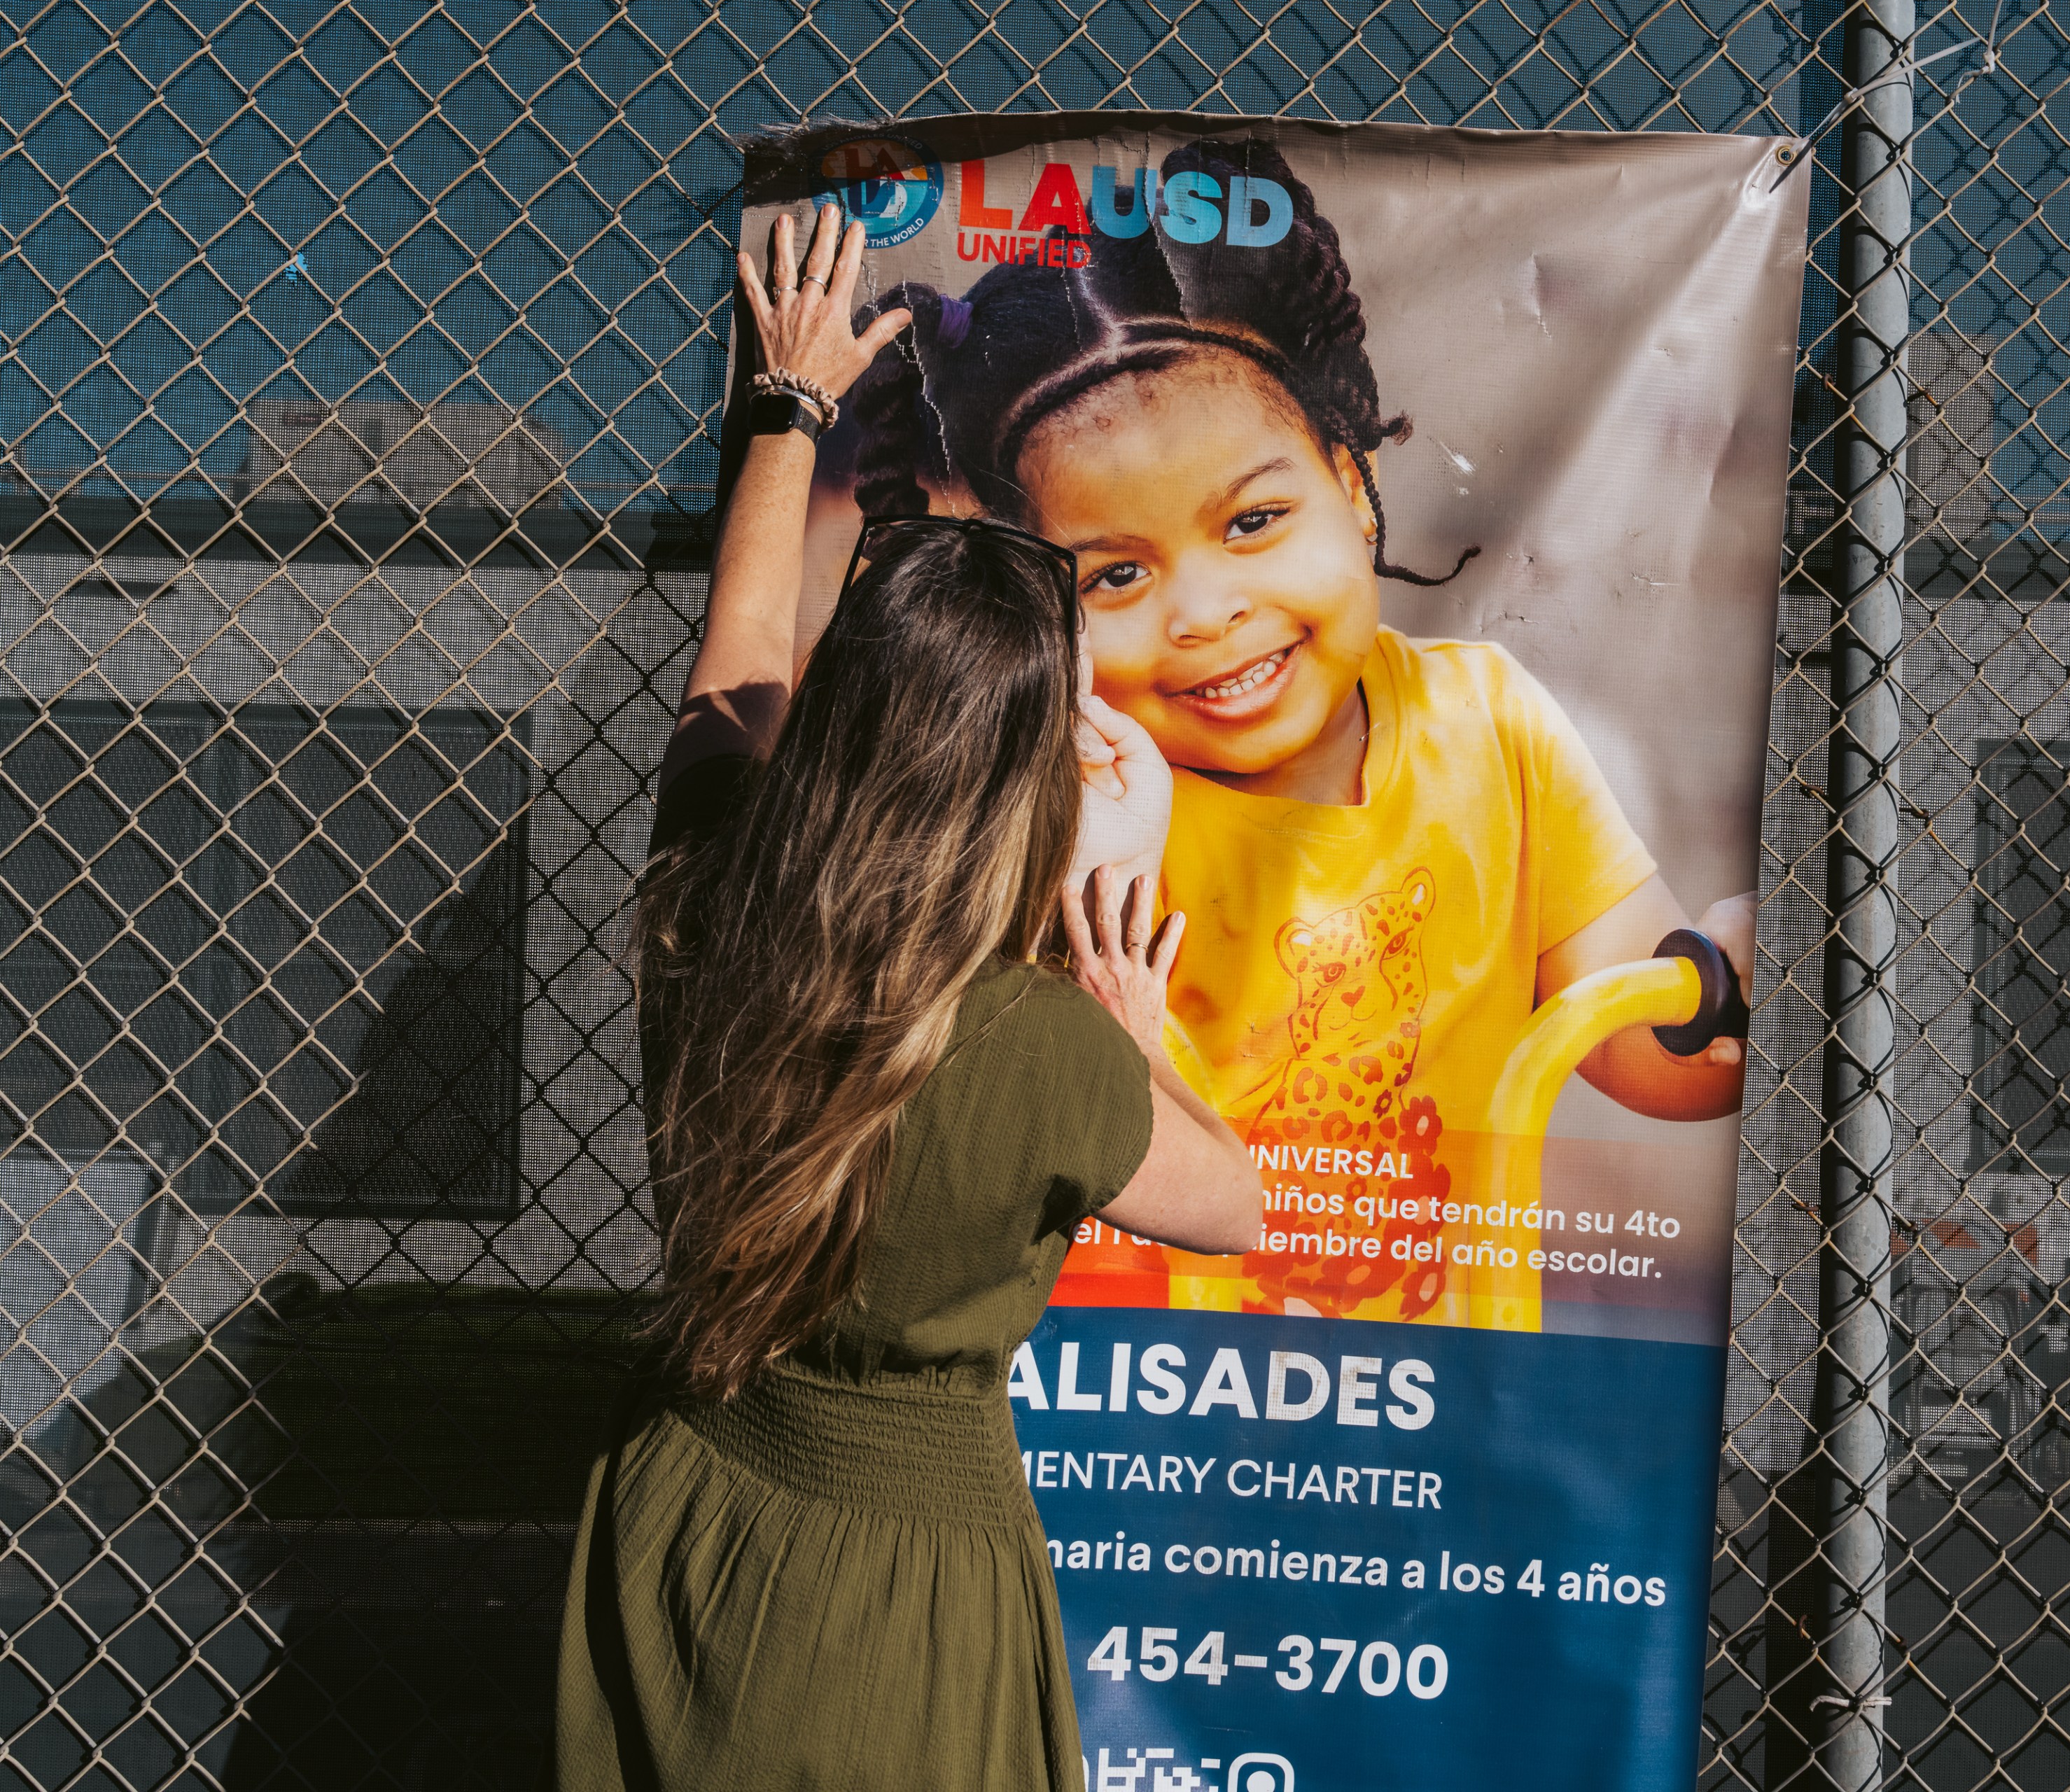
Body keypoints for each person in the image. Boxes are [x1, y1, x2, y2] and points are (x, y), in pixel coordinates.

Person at [553, 200, 1261, 1792]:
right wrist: (1137, 1045)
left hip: (684, 1503)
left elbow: (739, 648)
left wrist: (789, 401)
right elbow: (1235, 1206)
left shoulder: (711, 890)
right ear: (1019, 778)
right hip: (904, 1586)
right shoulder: (1048, 1049)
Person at [840, 140, 1751, 1322]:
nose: (1208, 611)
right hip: (1140, 1360)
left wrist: (1717, 990)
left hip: (1437, 1357)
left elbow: (1639, 1046)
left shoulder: (1486, 717)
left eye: (1256, 519)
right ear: (1047, 612)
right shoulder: (1073, 786)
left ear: (1354, 485)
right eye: (1115, 577)